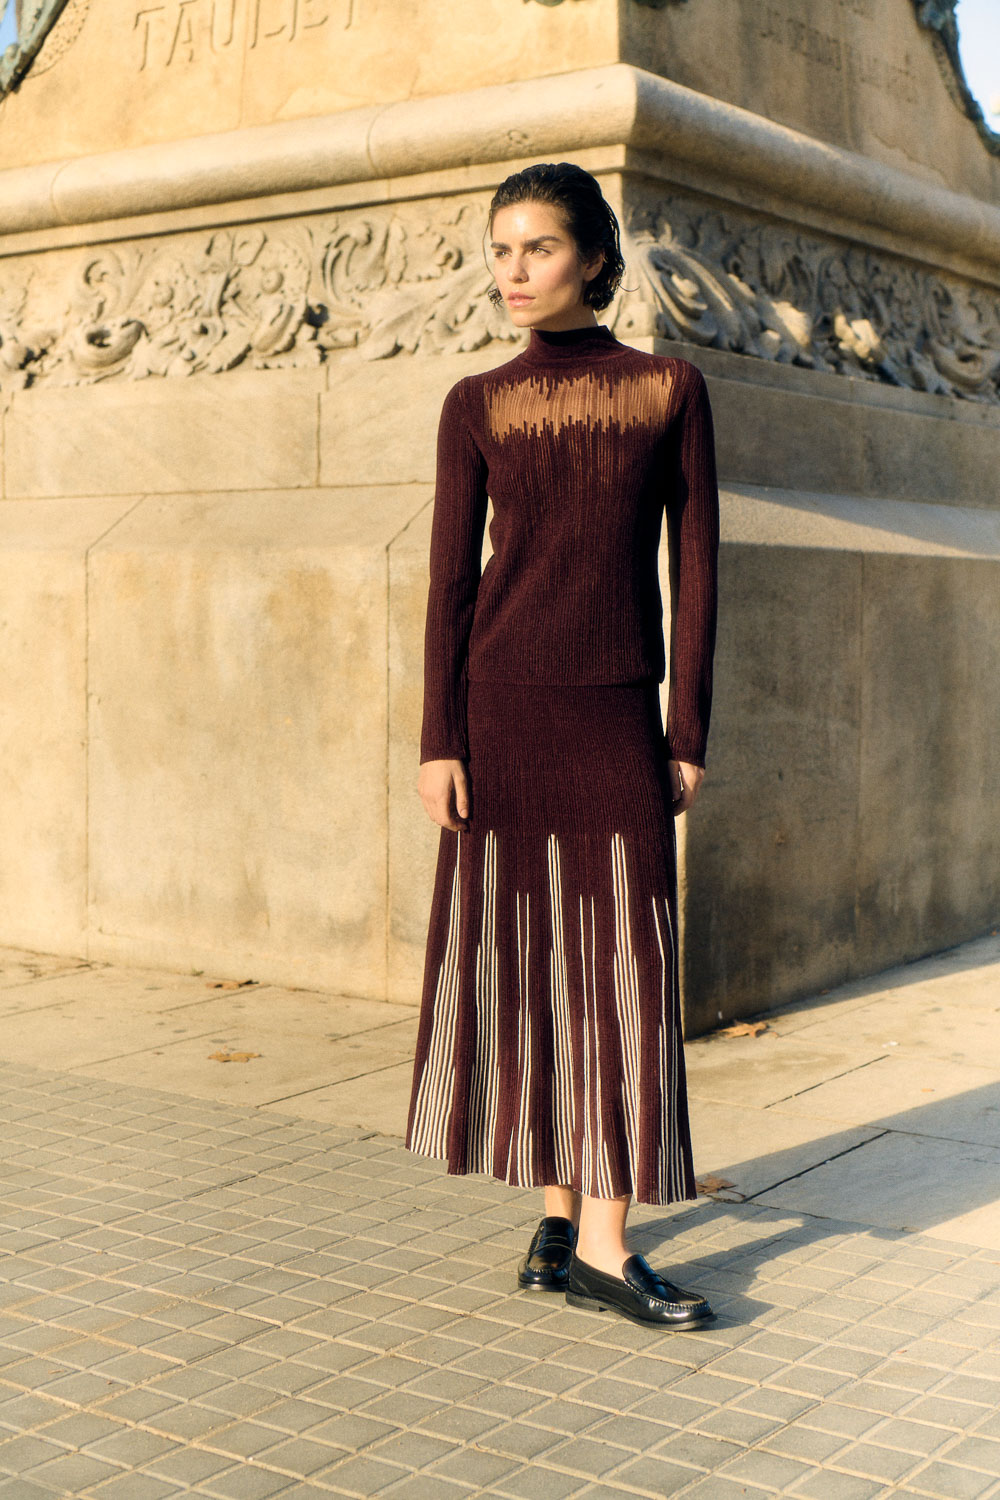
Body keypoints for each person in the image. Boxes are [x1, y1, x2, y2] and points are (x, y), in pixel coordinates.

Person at [405, 162, 720, 1330]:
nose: (513, 272)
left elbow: (696, 568)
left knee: (624, 971)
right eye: (500, 250)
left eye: (537, 248)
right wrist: (440, 738)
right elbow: (447, 583)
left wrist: (684, 728)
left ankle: (603, 1240)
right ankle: (562, 1222)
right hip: (501, 709)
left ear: (592, 256)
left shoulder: (667, 389)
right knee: (531, 962)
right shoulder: (475, 402)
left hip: (610, 711)